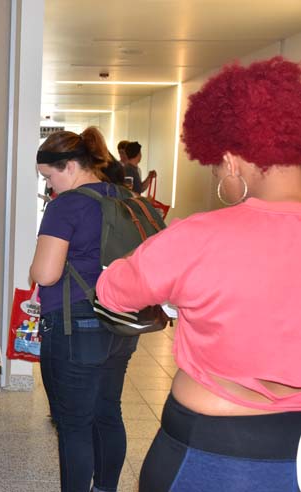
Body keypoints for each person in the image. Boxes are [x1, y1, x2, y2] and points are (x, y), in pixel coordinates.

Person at [96, 57, 301, 491]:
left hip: (207, 452)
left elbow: (114, 292)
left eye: (214, 165)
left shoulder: (200, 236)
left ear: (231, 161)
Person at [29, 126, 137, 492]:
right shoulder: (124, 196)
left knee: (74, 424)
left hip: (76, 326)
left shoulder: (68, 205)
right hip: (121, 320)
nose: (49, 187)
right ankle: (105, 488)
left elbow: (45, 273)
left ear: (70, 166)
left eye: (49, 176)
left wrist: (34, 266)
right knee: (108, 412)